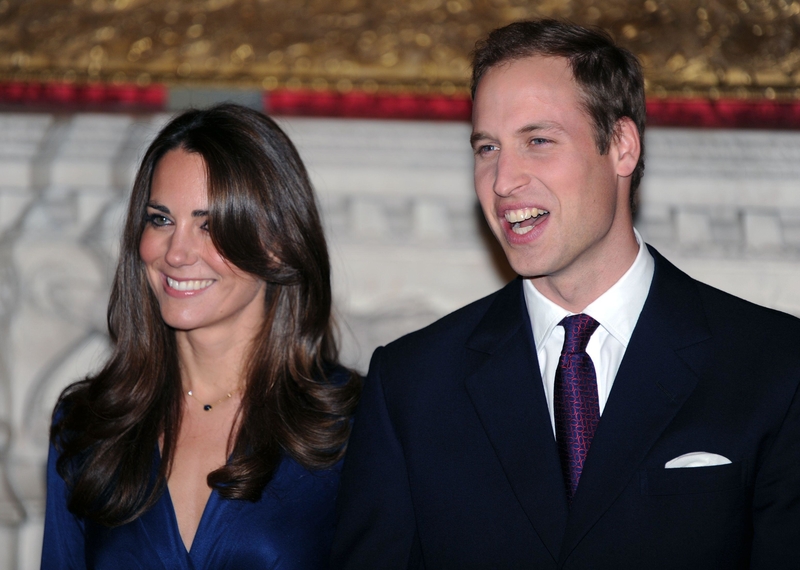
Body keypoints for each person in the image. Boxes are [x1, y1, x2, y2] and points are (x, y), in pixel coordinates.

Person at [331, 19, 800, 569]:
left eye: (537, 141)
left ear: (621, 146)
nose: (503, 179)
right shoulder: (412, 384)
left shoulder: (773, 365)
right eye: (487, 147)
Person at [42, 103, 360, 569]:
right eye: (161, 219)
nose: (177, 252)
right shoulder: (87, 424)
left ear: (277, 246)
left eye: (209, 224)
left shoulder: (354, 426)